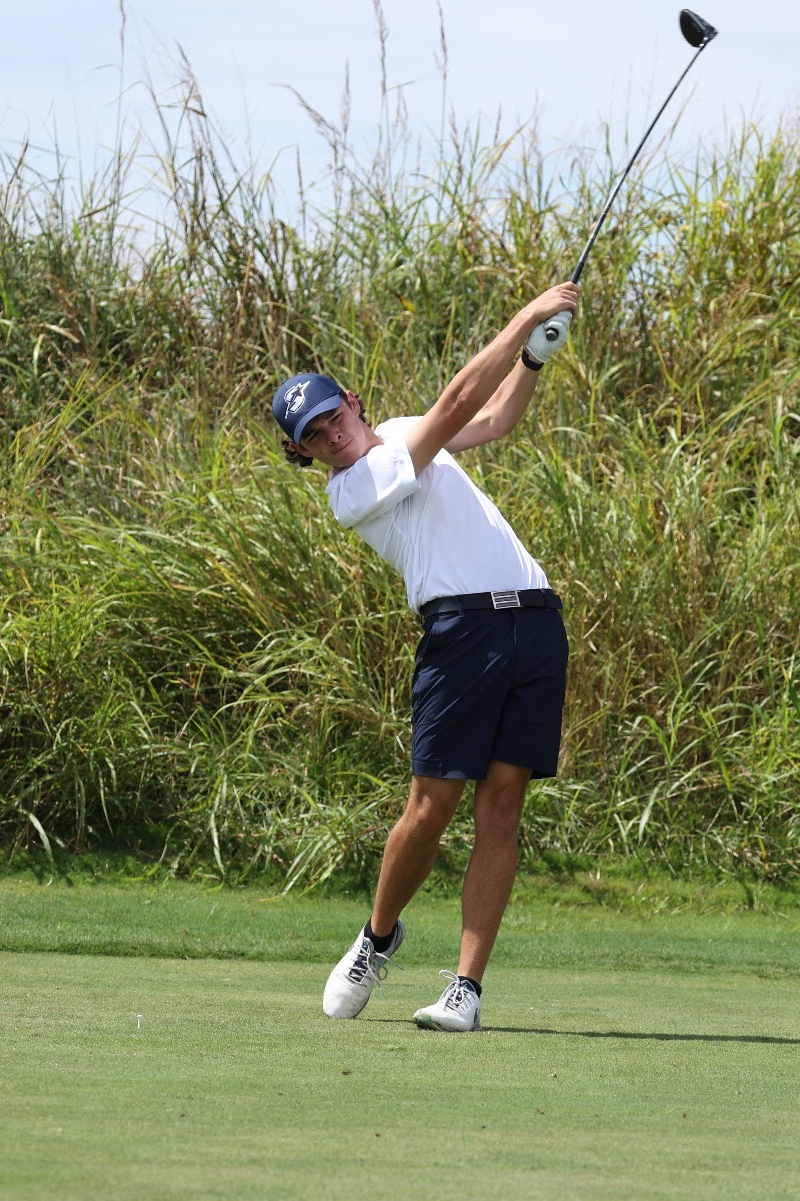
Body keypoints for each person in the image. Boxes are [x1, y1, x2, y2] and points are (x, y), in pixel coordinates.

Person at [269, 281, 581, 1032]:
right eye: (313, 436)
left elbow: (497, 417)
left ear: (352, 399)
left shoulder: (405, 432)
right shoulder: (353, 489)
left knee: (502, 803)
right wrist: (524, 317)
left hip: (535, 621)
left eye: (332, 416)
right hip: (460, 634)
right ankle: (378, 937)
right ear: (303, 454)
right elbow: (450, 407)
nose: (332, 435)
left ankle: (465, 991)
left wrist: (533, 360)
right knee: (430, 806)